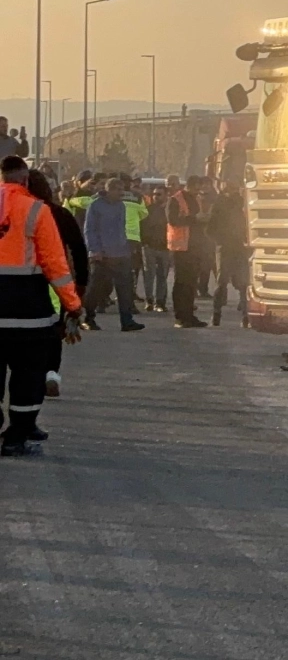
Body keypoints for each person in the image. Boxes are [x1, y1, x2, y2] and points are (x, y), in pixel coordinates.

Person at [0, 155, 83, 457]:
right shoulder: (37, 209)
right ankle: (16, 438)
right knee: (27, 377)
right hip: (28, 314)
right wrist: (72, 305)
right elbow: (55, 264)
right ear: (25, 180)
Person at [26, 169, 87, 404]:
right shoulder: (59, 214)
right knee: (53, 329)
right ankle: (51, 373)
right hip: (54, 282)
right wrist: (80, 285)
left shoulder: (12, 211)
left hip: (16, 283)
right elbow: (79, 250)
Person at [83, 176, 144, 333]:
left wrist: (126, 247)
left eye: (121, 189)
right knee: (96, 289)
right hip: (101, 255)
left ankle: (127, 320)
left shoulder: (121, 206)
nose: (120, 192)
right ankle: (88, 318)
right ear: (108, 190)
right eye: (117, 189)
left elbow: (121, 228)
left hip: (120, 253)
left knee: (125, 289)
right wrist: (94, 250)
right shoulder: (96, 205)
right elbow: (90, 229)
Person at [167, 176, 208, 328]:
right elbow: (173, 220)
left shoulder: (196, 199)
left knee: (191, 284)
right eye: (197, 188)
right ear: (189, 186)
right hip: (180, 248)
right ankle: (180, 317)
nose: (199, 191)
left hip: (194, 248)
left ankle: (189, 315)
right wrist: (194, 218)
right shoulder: (175, 199)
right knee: (181, 284)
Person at [209, 178, 249, 326]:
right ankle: (240, 316)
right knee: (235, 283)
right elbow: (211, 229)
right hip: (233, 247)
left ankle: (219, 316)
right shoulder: (239, 204)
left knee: (231, 283)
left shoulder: (228, 204)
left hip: (231, 248)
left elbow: (210, 229)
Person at [141, 181, 170, 312]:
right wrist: (144, 242)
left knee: (162, 276)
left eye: (159, 194)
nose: (155, 197)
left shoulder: (169, 210)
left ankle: (160, 302)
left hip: (165, 247)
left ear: (166, 195)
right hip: (149, 247)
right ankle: (149, 300)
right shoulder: (148, 210)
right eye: (154, 194)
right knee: (149, 275)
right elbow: (142, 226)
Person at [119, 175, 148, 300]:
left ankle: (120, 295)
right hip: (133, 238)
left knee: (118, 268)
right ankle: (130, 294)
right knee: (133, 268)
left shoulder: (114, 195)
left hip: (117, 237)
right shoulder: (137, 197)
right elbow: (144, 213)